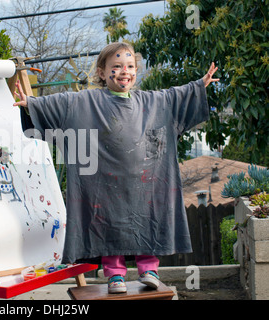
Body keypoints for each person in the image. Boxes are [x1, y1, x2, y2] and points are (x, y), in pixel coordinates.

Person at [14, 42, 219, 293]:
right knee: (107, 225)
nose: (125, 71)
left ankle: (149, 270)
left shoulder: (154, 102)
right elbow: (59, 104)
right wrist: (31, 104)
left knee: (149, 221)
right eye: (117, 66)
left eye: (130, 66)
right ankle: (114, 276)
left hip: (147, 185)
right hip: (104, 186)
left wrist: (200, 86)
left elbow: (177, 96)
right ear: (102, 72)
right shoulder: (84, 102)